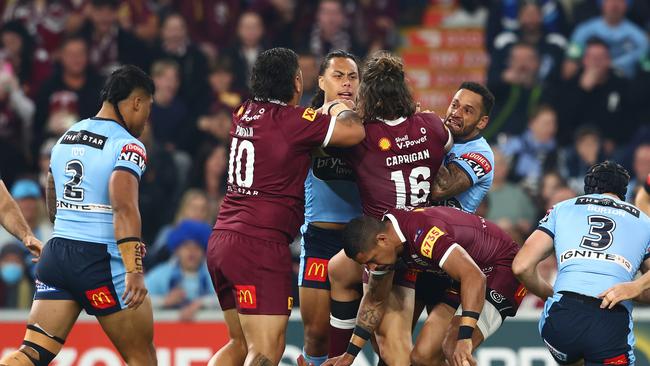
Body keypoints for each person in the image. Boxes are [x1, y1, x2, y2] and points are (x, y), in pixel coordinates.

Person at [206, 47, 365, 366]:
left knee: (238, 344)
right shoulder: (295, 122)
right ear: (298, 82)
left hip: (223, 239)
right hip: (260, 247)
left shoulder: (243, 111)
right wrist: (334, 106)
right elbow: (354, 131)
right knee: (266, 350)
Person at [0, 65, 156, 366]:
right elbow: (123, 204)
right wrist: (134, 268)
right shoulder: (128, 145)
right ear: (137, 101)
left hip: (57, 255)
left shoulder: (68, 135)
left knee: (33, 353)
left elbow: (51, 186)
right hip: (101, 260)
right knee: (142, 357)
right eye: (148, 109)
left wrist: (65, 232)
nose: (146, 120)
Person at [326, 52, 451, 365]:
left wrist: (334, 105)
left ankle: (341, 356)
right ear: (405, 92)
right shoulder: (433, 125)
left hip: (391, 247)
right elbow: (449, 143)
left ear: (366, 94)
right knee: (338, 268)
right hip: (431, 239)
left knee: (392, 347)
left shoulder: (361, 136)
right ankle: (337, 352)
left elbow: (327, 136)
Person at [325, 206, 524, 366]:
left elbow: (475, 277)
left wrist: (465, 338)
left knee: (454, 346)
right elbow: (374, 302)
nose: (372, 267)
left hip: (501, 269)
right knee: (422, 358)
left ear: (382, 239)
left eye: (372, 260)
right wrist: (350, 355)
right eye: (366, 265)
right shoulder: (388, 245)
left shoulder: (423, 233)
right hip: (461, 277)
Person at [513, 160, 650, 365]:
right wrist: (634, 288)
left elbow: (521, 266)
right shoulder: (644, 220)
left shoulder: (562, 208)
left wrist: (551, 294)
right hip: (609, 318)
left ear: (588, 187)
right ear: (623, 191)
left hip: (561, 317)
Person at [415, 81, 495, 338]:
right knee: (393, 345)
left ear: (482, 122)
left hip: (448, 261)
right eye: (455, 104)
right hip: (415, 250)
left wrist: (429, 137)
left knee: (431, 354)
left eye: (468, 110)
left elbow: (440, 188)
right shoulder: (438, 131)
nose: (456, 113)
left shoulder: (481, 154)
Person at [298, 50, 362, 366]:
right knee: (316, 333)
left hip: (362, 242)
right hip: (320, 240)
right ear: (322, 81)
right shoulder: (307, 125)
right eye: (338, 76)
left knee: (376, 334)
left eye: (352, 76)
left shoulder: (370, 126)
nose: (346, 83)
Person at [0, 173, 42, 265]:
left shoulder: (49, 233)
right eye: (23, 200)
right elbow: (5, 208)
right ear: (14, 202)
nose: (28, 205)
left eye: (32, 200)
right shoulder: (1, 236)